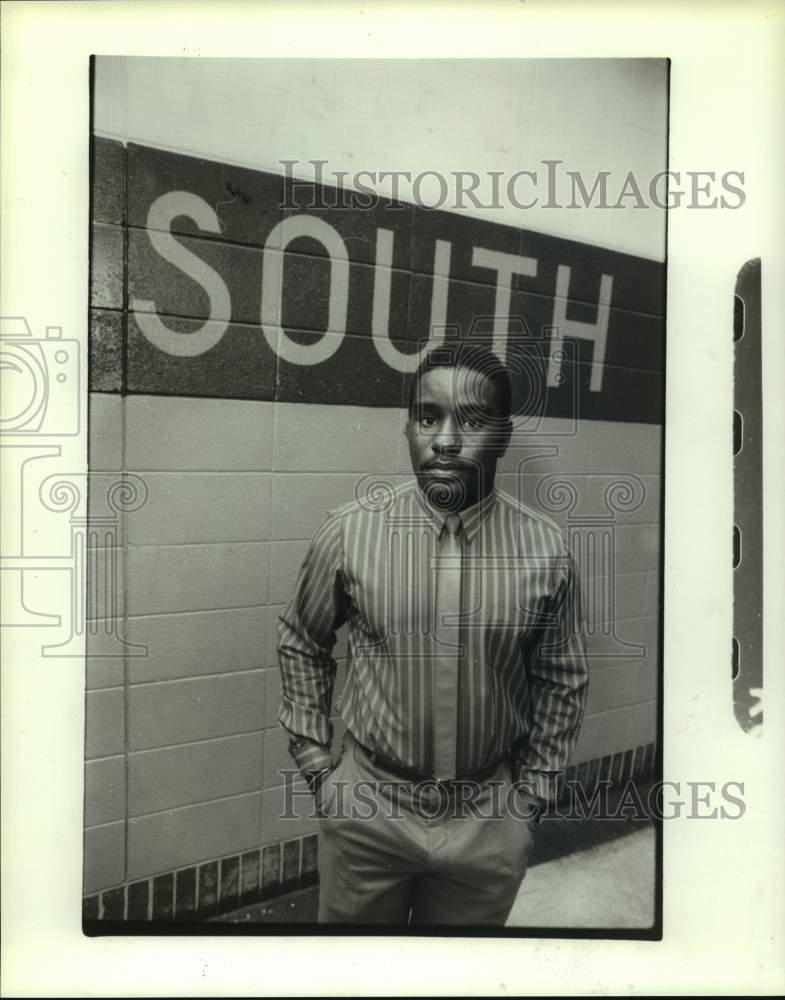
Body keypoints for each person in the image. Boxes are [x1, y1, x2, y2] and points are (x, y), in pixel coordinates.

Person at [278, 342, 589, 925]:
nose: (445, 439)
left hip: (488, 819)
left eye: (471, 420)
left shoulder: (546, 550)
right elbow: (302, 639)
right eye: (428, 417)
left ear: (502, 434)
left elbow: (560, 677)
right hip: (368, 811)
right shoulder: (351, 534)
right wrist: (319, 766)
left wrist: (532, 796)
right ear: (408, 428)